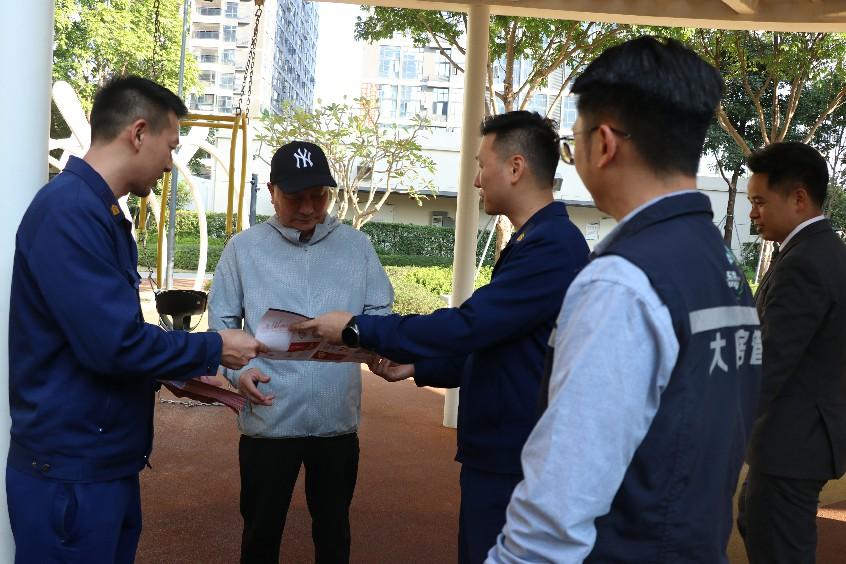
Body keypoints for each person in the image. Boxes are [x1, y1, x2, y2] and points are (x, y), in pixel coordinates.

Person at [486, 37, 762, 563]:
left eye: (573, 143)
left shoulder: (622, 282)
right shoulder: (719, 260)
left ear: (605, 143)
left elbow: (554, 514)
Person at [295, 111, 590, 564]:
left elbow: (470, 325)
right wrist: (421, 366)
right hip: (502, 448)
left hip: (514, 454)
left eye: (482, 165)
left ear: (515, 167)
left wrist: (358, 328)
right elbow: (500, 343)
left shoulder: (551, 244)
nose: (475, 180)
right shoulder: (536, 239)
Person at [6, 75, 265, 563]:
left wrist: (194, 376)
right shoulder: (70, 212)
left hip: (100, 463)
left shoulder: (97, 212)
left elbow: (106, 339)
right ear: (139, 133)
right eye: (171, 146)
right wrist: (215, 347)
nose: (170, 163)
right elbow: (114, 345)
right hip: (73, 472)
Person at [207, 140, 393, 564]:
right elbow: (221, 323)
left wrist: (364, 337)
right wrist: (239, 374)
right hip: (270, 415)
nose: (309, 208)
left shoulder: (357, 246)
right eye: (295, 197)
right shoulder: (243, 249)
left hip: (336, 421)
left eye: (319, 195)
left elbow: (381, 312)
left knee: (333, 532)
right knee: (260, 532)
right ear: (272, 192)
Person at [737, 142, 846, 564]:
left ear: (799, 198)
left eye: (760, 201)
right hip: (800, 438)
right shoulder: (820, 250)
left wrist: (719, 426)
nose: (752, 213)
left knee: (778, 545)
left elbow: (770, 362)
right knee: (757, 522)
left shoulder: (806, 262)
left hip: (792, 444)